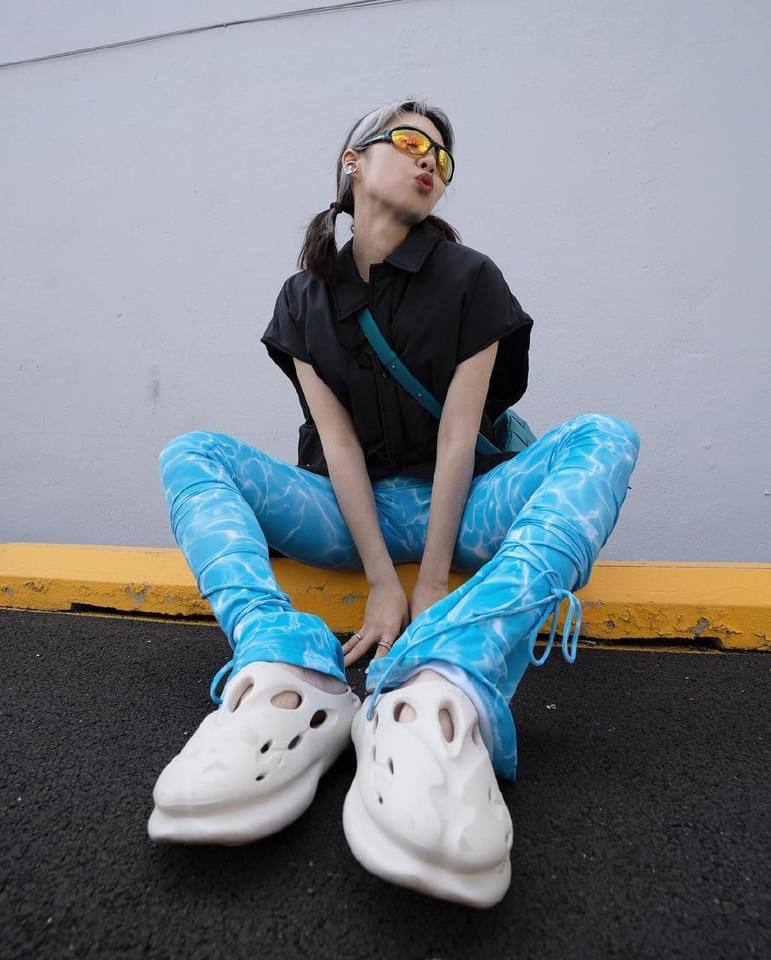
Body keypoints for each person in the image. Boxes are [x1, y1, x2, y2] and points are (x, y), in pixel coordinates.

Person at [147, 98, 641, 909]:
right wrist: (382, 580)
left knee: (605, 436)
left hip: (467, 503)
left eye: (441, 159)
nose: (428, 163)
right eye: (411, 143)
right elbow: (337, 446)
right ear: (353, 160)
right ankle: (285, 667)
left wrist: (431, 584)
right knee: (191, 453)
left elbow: (457, 439)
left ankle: (448, 675)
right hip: (351, 513)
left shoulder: (469, 279)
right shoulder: (302, 299)